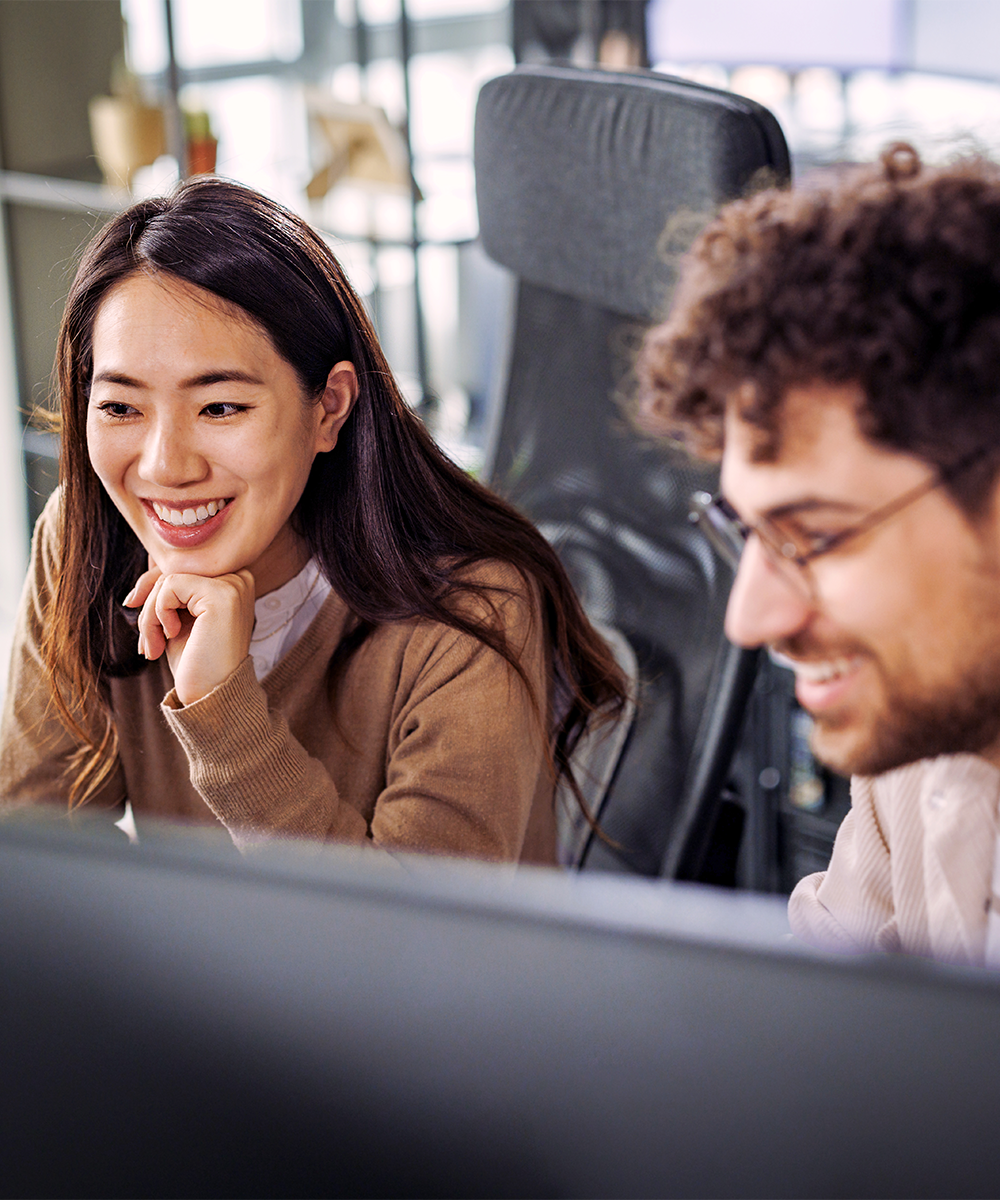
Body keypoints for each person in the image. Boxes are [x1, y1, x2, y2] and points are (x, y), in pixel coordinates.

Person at [0, 174, 625, 861]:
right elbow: (31, 855)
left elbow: (409, 953)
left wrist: (221, 709)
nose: (163, 467)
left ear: (328, 408)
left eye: (220, 407)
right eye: (121, 407)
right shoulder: (89, 539)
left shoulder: (471, 612)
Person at [637, 142, 1000, 965]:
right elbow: (833, 1035)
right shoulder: (920, 730)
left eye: (816, 536)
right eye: (752, 535)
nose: (751, 617)